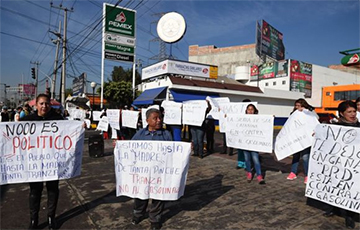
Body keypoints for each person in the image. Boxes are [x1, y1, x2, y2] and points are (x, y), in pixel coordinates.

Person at [20, 94, 64, 229]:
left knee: (53, 190)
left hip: (52, 161)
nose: (44, 106)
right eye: (41, 103)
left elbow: (69, 131)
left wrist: (81, 126)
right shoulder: (27, 120)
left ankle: (51, 217)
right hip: (35, 162)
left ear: (50, 105)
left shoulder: (58, 119)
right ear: (36, 105)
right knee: (35, 191)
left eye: (47, 103)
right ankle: (34, 220)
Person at [131, 108, 173, 230]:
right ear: (147, 120)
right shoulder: (140, 134)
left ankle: (155, 219)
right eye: (155, 118)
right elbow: (130, 148)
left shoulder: (166, 134)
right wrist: (119, 145)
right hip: (143, 173)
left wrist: (186, 148)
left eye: (160, 118)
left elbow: (173, 151)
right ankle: (138, 214)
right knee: (140, 195)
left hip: (160, 172)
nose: (159, 120)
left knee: (158, 197)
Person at [322, 100, 359, 229]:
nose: (353, 114)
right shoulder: (335, 128)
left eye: (354, 111)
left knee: (351, 190)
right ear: (342, 114)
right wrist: (319, 136)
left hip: (354, 166)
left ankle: (349, 216)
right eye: (349, 112)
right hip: (338, 164)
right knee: (336, 186)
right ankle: (334, 208)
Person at [286, 98, 315, 184]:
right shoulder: (293, 114)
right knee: (296, 156)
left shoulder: (309, 113)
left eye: (299, 106)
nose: (297, 107)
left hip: (306, 139)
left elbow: (316, 118)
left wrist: (307, 111)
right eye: (296, 106)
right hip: (296, 139)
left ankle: (307, 175)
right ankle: (293, 172)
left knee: (306, 157)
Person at [242, 104, 265, 184]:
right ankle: (249, 172)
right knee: (247, 159)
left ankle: (259, 175)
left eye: (252, 109)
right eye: (249, 109)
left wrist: (271, 118)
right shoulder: (242, 119)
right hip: (245, 144)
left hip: (254, 144)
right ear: (246, 111)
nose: (250, 111)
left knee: (256, 160)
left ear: (255, 111)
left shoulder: (258, 119)